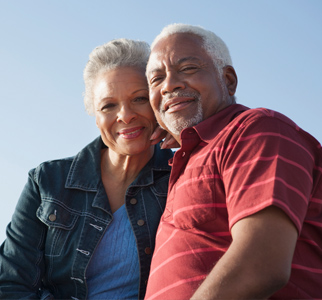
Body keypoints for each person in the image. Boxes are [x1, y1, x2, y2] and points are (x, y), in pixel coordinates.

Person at [144, 23, 322, 300]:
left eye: (188, 68)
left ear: (228, 80)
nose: (169, 85)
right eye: (156, 80)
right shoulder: (191, 158)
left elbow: (262, 264)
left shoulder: (257, 129)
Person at [0, 38, 174, 299]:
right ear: (94, 114)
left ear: (156, 100)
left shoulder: (181, 176)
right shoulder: (47, 181)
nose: (125, 115)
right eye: (108, 105)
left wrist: (183, 134)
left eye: (139, 99)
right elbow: (11, 284)